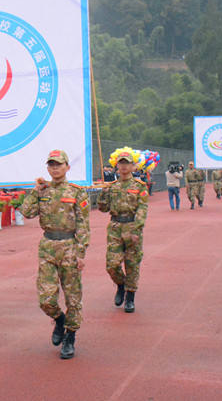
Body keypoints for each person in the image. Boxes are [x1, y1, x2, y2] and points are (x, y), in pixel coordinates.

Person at [20, 150, 90, 360]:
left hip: (69, 245)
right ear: (47, 168)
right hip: (48, 245)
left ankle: (70, 337)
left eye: (59, 164)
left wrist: (80, 253)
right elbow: (26, 212)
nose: (55, 168)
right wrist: (35, 190)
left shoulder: (77, 192)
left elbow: (84, 225)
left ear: (67, 167)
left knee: (72, 296)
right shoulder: (43, 191)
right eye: (51, 165)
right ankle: (60, 320)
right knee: (46, 298)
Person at [98, 150, 148, 315]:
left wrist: (137, 229)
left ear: (133, 166)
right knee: (111, 265)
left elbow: (142, 209)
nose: (124, 166)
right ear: (117, 166)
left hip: (132, 226)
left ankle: (130, 297)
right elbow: (103, 209)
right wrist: (103, 194)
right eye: (121, 163)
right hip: (115, 227)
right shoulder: (112, 187)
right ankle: (121, 285)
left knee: (132, 263)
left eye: (127, 163)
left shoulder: (139, 186)